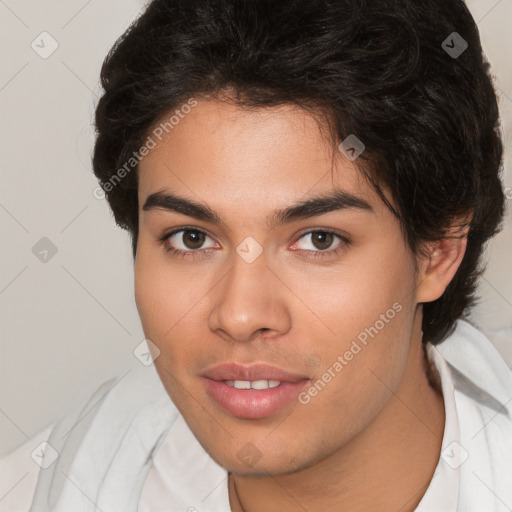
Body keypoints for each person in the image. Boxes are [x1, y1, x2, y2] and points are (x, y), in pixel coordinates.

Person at [1, 0, 511, 511]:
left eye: (318, 240)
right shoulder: (47, 484)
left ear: (438, 253)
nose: (240, 316)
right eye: (192, 238)